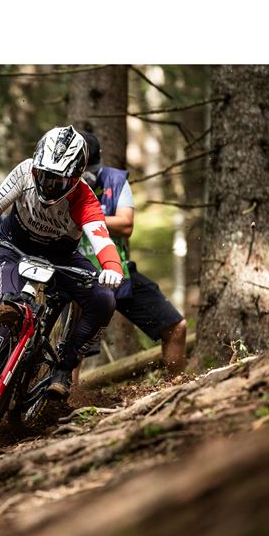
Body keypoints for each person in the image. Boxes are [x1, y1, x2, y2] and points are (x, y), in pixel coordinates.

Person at [0, 125, 124, 397]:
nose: (48, 186)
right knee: (8, 306)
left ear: (75, 178)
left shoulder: (85, 198)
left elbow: (102, 239)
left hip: (60, 256)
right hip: (15, 246)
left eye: (58, 181)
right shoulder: (25, 171)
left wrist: (112, 267)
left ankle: (64, 368)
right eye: (44, 176)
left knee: (104, 300)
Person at [77, 132, 188, 374]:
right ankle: (67, 395)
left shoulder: (115, 180)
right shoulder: (59, 183)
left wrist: (86, 218)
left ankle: (176, 385)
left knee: (175, 327)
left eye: (91, 169)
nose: (87, 177)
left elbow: (126, 225)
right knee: (73, 348)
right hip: (77, 275)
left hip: (119, 273)